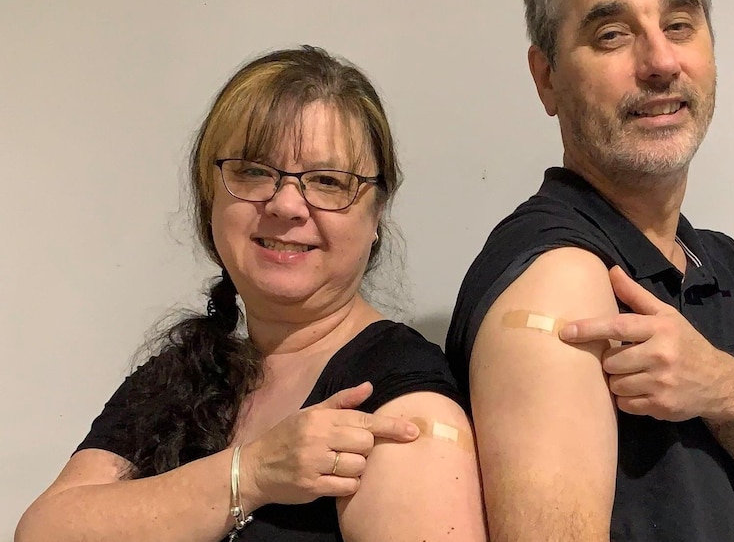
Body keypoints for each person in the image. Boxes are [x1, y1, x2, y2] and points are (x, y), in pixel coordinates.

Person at [16, 46, 486, 542]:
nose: (285, 204)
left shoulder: (403, 407)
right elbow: (45, 530)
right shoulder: (184, 374)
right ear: (210, 196)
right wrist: (252, 473)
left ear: (376, 216)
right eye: (254, 171)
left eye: (328, 181)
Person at [445, 0, 734, 541]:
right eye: (612, 34)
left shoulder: (718, 261)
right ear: (546, 79)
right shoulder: (555, 276)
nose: (660, 62)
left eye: (680, 24)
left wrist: (718, 385)